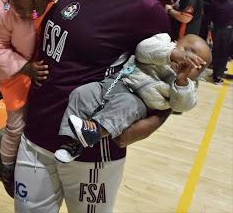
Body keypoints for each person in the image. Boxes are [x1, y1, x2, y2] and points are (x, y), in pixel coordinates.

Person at [14, 0, 172, 213]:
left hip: (90, 155)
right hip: (36, 136)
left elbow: (168, 86)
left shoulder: (145, 9)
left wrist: (150, 125)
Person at [0, 0, 87, 197]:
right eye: (21, 9)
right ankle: (5, 167)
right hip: (14, 66)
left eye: (35, 10)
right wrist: (24, 67)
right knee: (16, 121)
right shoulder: (6, 11)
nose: (28, 15)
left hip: (31, 61)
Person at [54, 33, 211, 163]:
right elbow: (142, 50)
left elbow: (181, 105)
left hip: (137, 101)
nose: (188, 61)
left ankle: (95, 131)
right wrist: (171, 54)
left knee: (126, 104)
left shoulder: (185, 85)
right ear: (176, 42)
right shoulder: (162, 42)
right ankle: (71, 142)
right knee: (82, 93)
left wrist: (182, 80)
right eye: (187, 51)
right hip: (115, 83)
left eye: (197, 65)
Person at [206, 0, 233, 84]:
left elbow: (210, 18)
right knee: (224, 54)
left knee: (216, 52)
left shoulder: (216, 4)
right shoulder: (231, 4)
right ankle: (217, 76)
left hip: (216, 30)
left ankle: (215, 73)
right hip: (228, 31)